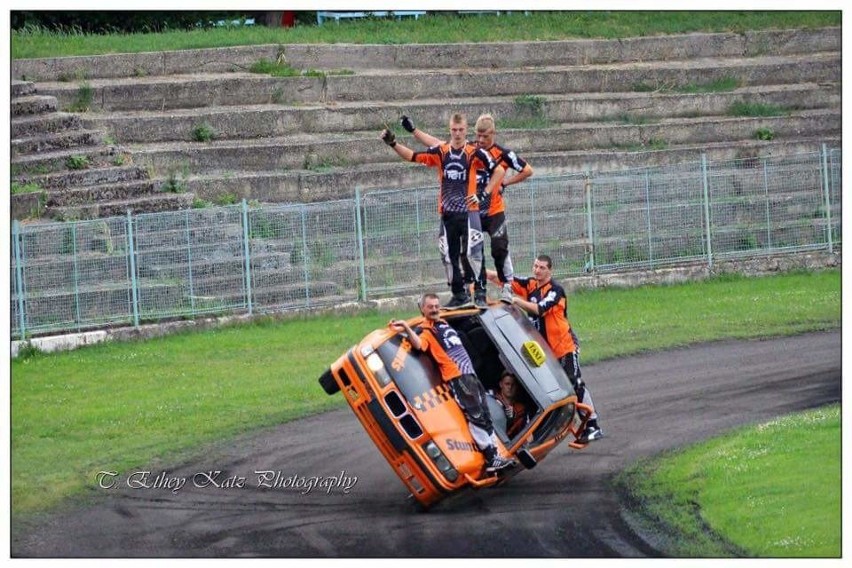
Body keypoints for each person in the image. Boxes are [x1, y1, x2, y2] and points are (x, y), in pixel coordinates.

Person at [401, 113, 533, 307]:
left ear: (493, 133)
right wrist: (414, 131)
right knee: (467, 253)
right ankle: (468, 290)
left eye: (485, 136)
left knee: (499, 248)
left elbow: (527, 170)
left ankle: (507, 285)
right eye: (478, 136)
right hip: (472, 211)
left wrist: (505, 183)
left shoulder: (503, 153)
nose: (481, 140)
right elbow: (439, 144)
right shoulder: (471, 148)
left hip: (494, 210)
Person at [381, 114, 505, 308]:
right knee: (448, 256)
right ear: (450, 130)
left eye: (461, 130)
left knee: (474, 253)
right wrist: (393, 144)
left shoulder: (475, 152)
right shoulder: (441, 151)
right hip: (447, 214)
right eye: (454, 130)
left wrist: (484, 194)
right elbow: (413, 156)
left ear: (466, 130)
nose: (457, 133)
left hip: (470, 213)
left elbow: (499, 171)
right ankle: (458, 294)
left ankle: (480, 293)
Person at [389, 293, 515, 472]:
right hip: (457, 376)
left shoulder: (443, 322)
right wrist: (405, 328)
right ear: (422, 309)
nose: (434, 309)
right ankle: (489, 457)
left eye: (436, 306)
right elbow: (417, 344)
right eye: (430, 307)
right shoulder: (425, 330)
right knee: (476, 416)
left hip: (470, 374)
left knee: (485, 415)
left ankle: (496, 455)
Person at [487, 255, 603, 443]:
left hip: (564, 347)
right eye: (535, 266)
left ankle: (592, 424)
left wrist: (515, 300)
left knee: (575, 383)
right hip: (545, 354)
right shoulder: (531, 284)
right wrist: (479, 272)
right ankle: (553, 425)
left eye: (541, 267)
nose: (537, 270)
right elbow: (503, 279)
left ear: (550, 270)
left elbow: (539, 309)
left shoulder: (556, 291)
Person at [492, 371, 529, 438]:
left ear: (517, 387)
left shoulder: (521, 410)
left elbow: (525, 435)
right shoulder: (491, 395)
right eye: (507, 384)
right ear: (501, 384)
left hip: (501, 440)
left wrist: (512, 419)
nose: (510, 387)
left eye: (513, 385)